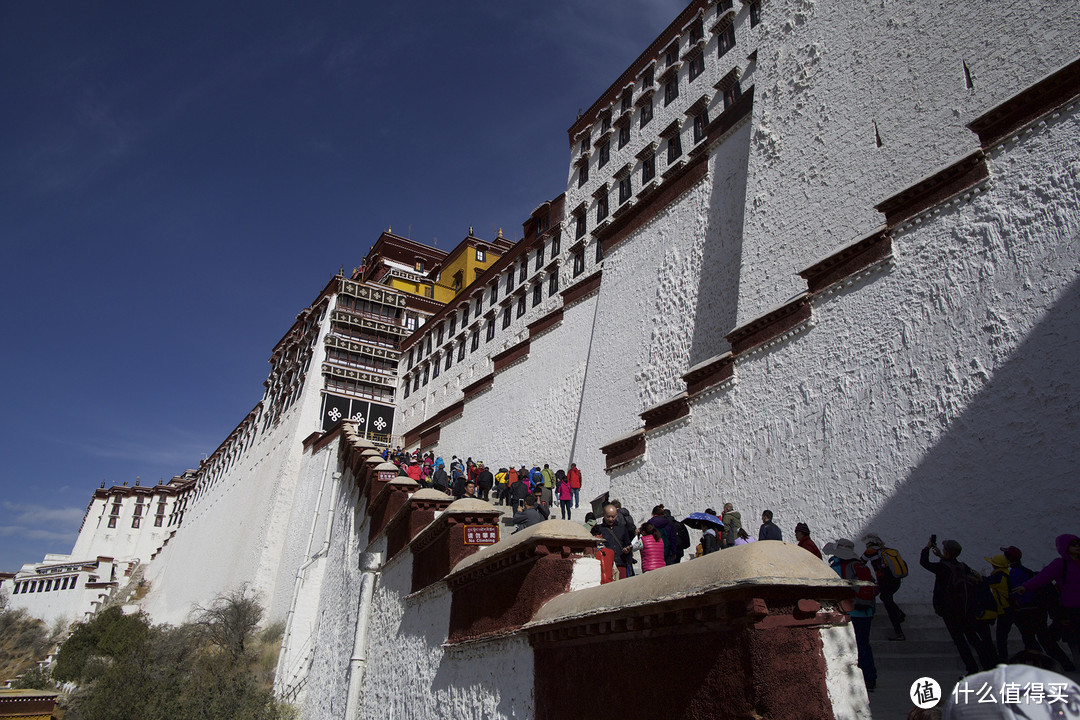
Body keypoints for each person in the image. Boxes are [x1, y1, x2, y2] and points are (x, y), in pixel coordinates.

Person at [920, 537, 997, 674]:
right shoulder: (963, 566)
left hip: (949, 611)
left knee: (960, 641)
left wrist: (927, 548)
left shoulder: (943, 568)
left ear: (947, 552)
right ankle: (987, 664)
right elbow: (953, 565)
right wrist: (941, 556)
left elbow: (924, 562)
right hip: (966, 609)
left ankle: (972, 668)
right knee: (973, 638)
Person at [998, 545, 1075, 669]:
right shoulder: (1026, 570)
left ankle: (1040, 664)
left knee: (1030, 639)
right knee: (1044, 639)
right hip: (1039, 610)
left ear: (1008, 559)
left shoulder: (1015, 573)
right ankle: (1065, 663)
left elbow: (1019, 594)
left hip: (1026, 611)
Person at [1016, 533, 1080, 668]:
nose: (1077, 546)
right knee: (1075, 640)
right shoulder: (1061, 564)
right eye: (1073, 544)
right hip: (1072, 609)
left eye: (1078, 543)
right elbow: (1043, 577)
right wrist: (1025, 587)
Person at [823, 538, 878, 691]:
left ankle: (856, 679)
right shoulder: (860, 565)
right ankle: (870, 677)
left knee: (853, 646)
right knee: (865, 644)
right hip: (866, 611)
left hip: (851, 611)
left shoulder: (838, 566)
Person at [862, 533, 907, 641]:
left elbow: (861, 562)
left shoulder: (871, 551)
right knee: (885, 597)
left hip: (885, 581)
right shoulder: (886, 550)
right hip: (896, 580)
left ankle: (899, 632)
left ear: (869, 543)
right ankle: (899, 613)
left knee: (888, 603)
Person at [592, 504, 634, 579]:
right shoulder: (598, 529)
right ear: (603, 515)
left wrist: (627, 550)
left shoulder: (622, 528)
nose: (611, 519)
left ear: (617, 515)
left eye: (613, 517)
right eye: (608, 517)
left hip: (621, 563)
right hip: (606, 565)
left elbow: (628, 544)